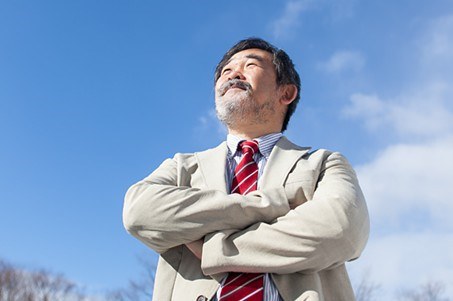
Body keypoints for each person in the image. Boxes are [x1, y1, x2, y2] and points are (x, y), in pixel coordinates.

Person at [123, 38, 369, 301]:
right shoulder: (182, 167)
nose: (232, 75)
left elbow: (342, 231)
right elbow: (139, 212)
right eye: (225, 71)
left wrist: (215, 249)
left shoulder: (323, 164)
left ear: (285, 93)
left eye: (250, 65)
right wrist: (268, 206)